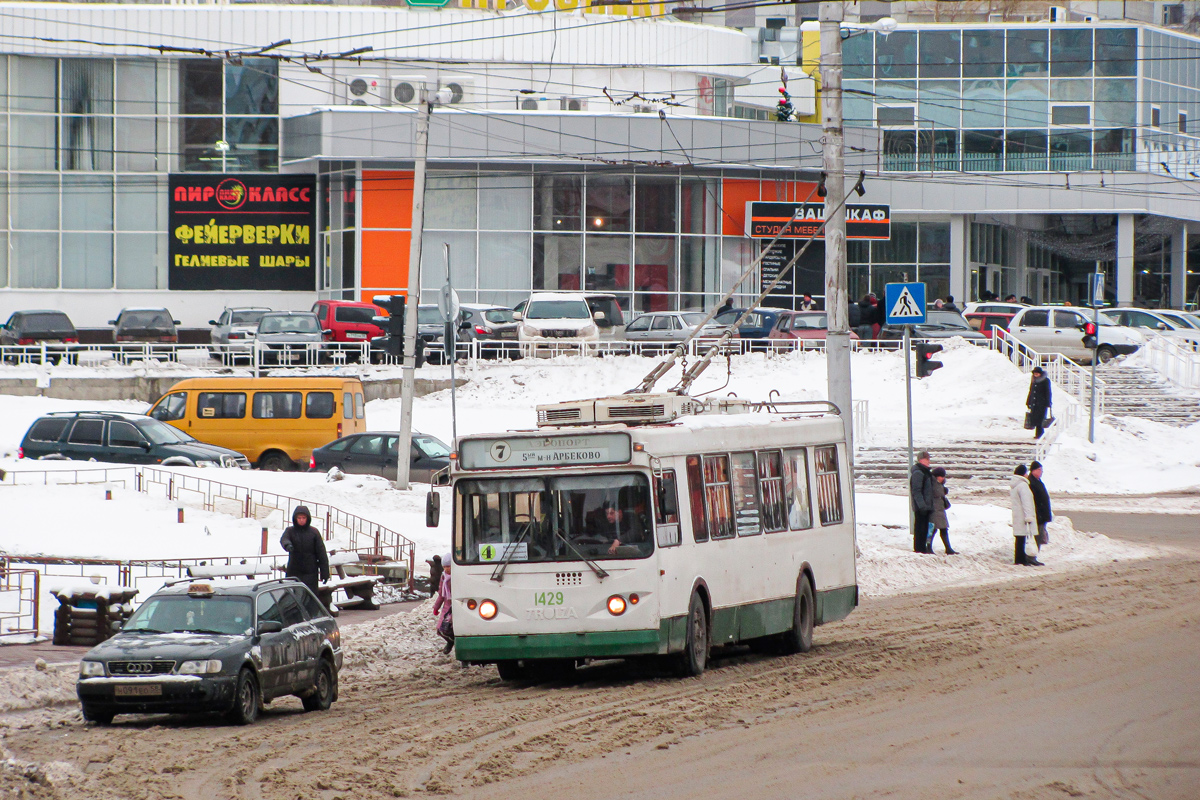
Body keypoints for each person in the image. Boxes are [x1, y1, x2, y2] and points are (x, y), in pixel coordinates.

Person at [280, 505, 330, 596]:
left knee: (310, 596)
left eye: (303, 517)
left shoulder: (314, 532)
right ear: (295, 519)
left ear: (308, 518)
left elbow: (321, 553)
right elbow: (284, 539)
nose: (301, 520)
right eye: (299, 518)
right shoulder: (290, 531)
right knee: (292, 597)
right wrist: (288, 545)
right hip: (294, 571)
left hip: (310, 572)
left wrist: (325, 573)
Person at [1009, 465, 1040, 566]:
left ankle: (1019, 559)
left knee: (1019, 539)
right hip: (1024, 516)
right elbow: (1027, 503)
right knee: (1025, 538)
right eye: (1026, 473)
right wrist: (1029, 516)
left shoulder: (1014, 486)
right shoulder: (1023, 485)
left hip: (1017, 516)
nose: (1027, 475)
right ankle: (1024, 559)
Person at [909, 451, 935, 554]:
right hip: (922, 507)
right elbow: (917, 491)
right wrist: (922, 505)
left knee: (924, 528)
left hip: (926, 506)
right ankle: (919, 548)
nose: (929, 461)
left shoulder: (925, 472)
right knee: (920, 528)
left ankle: (922, 548)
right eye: (927, 459)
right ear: (921, 460)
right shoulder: (919, 473)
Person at [927, 467, 956, 554]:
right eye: (941, 476)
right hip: (934, 509)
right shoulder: (932, 483)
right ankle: (929, 547)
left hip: (940, 508)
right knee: (933, 529)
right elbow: (937, 493)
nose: (943, 478)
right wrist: (943, 490)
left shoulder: (939, 483)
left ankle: (948, 548)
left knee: (943, 529)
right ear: (937, 476)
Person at [1028, 461, 1052, 563]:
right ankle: (1031, 557)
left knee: (1040, 536)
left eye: (1041, 470)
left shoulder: (1038, 481)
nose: (1041, 472)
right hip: (1038, 515)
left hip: (1042, 514)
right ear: (1033, 470)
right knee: (1036, 536)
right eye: (1039, 470)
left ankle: (1034, 556)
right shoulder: (1031, 483)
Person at [432, 553, 454, 654]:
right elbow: (441, 594)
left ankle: (458, 647)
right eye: (444, 567)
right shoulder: (444, 577)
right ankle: (451, 642)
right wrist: (436, 607)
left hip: (455, 607)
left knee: (454, 629)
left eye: (448, 566)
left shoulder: (458, 575)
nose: (446, 569)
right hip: (447, 606)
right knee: (440, 629)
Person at [1026, 366, 1053, 439]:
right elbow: (1031, 391)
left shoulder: (1045, 381)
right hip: (1034, 402)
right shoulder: (1034, 380)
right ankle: (1038, 434)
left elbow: (1048, 392)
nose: (1036, 375)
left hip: (1042, 403)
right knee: (1035, 418)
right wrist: (1028, 401)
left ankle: (1040, 434)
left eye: (1037, 374)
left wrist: (1048, 402)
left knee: (1040, 419)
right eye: (1035, 374)